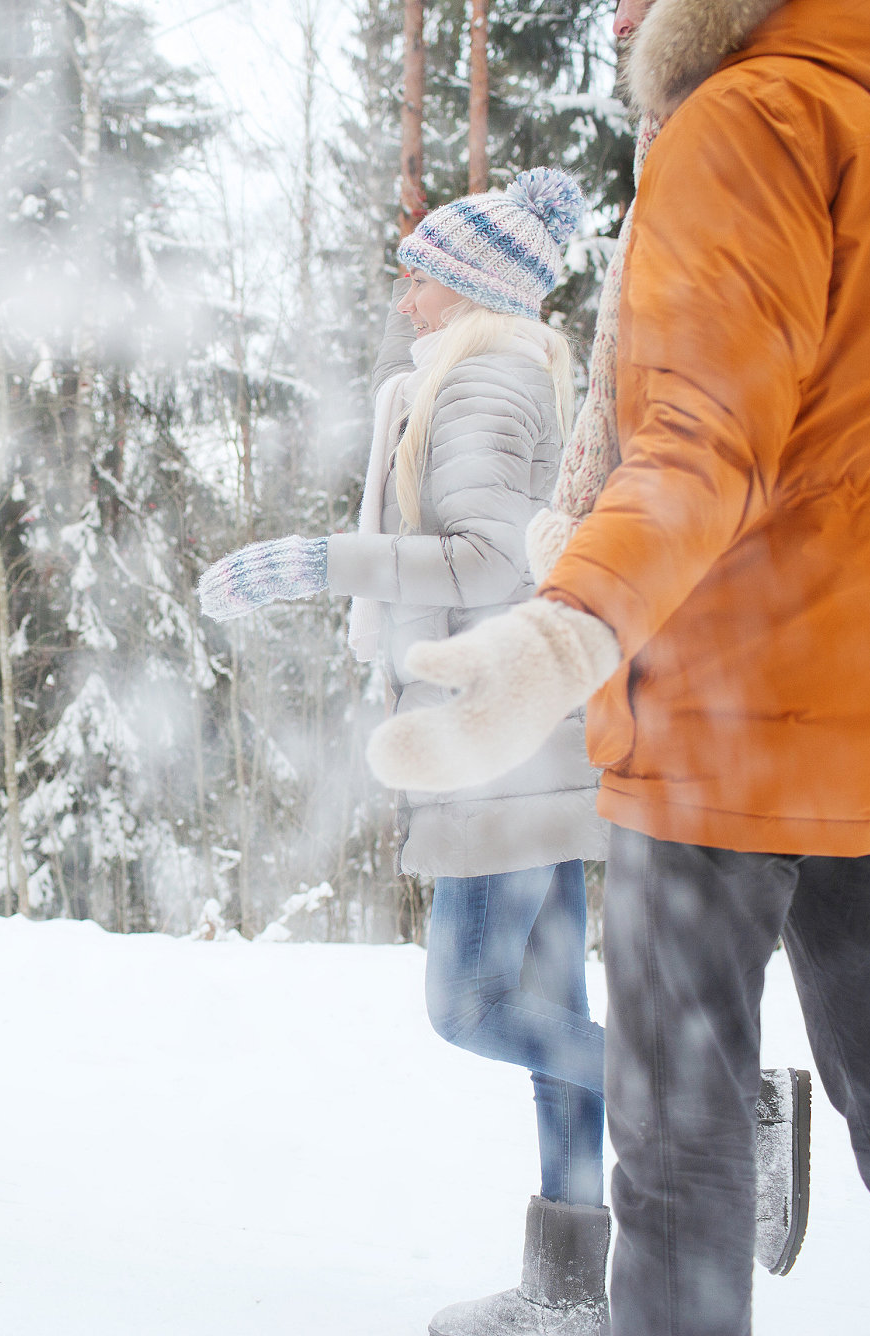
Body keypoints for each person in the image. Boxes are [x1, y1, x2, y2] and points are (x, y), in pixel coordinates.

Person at [364, 0, 870, 1332]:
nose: (621, 11)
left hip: (717, 719)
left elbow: (701, 437)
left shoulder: (744, 116)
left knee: (677, 1146)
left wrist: (569, 622)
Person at [199, 169, 617, 1335]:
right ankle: (569, 1289)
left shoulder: (480, 378)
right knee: (550, 1021)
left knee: (470, 1005)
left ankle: (713, 1099)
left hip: (492, 741)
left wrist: (312, 563)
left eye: (419, 273)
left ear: (470, 283)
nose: (404, 295)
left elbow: (486, 560)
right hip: (526, 732)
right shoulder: (495, 370)